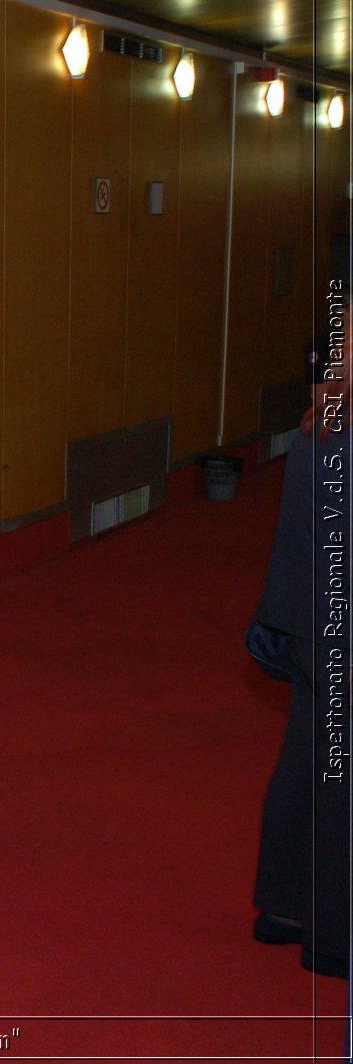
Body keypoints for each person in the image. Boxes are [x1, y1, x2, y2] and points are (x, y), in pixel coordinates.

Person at [248, 326, 349, 980]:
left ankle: (283, 908)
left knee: (307, 755)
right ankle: (336, 936)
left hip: (309, 621)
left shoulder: (323, 419)